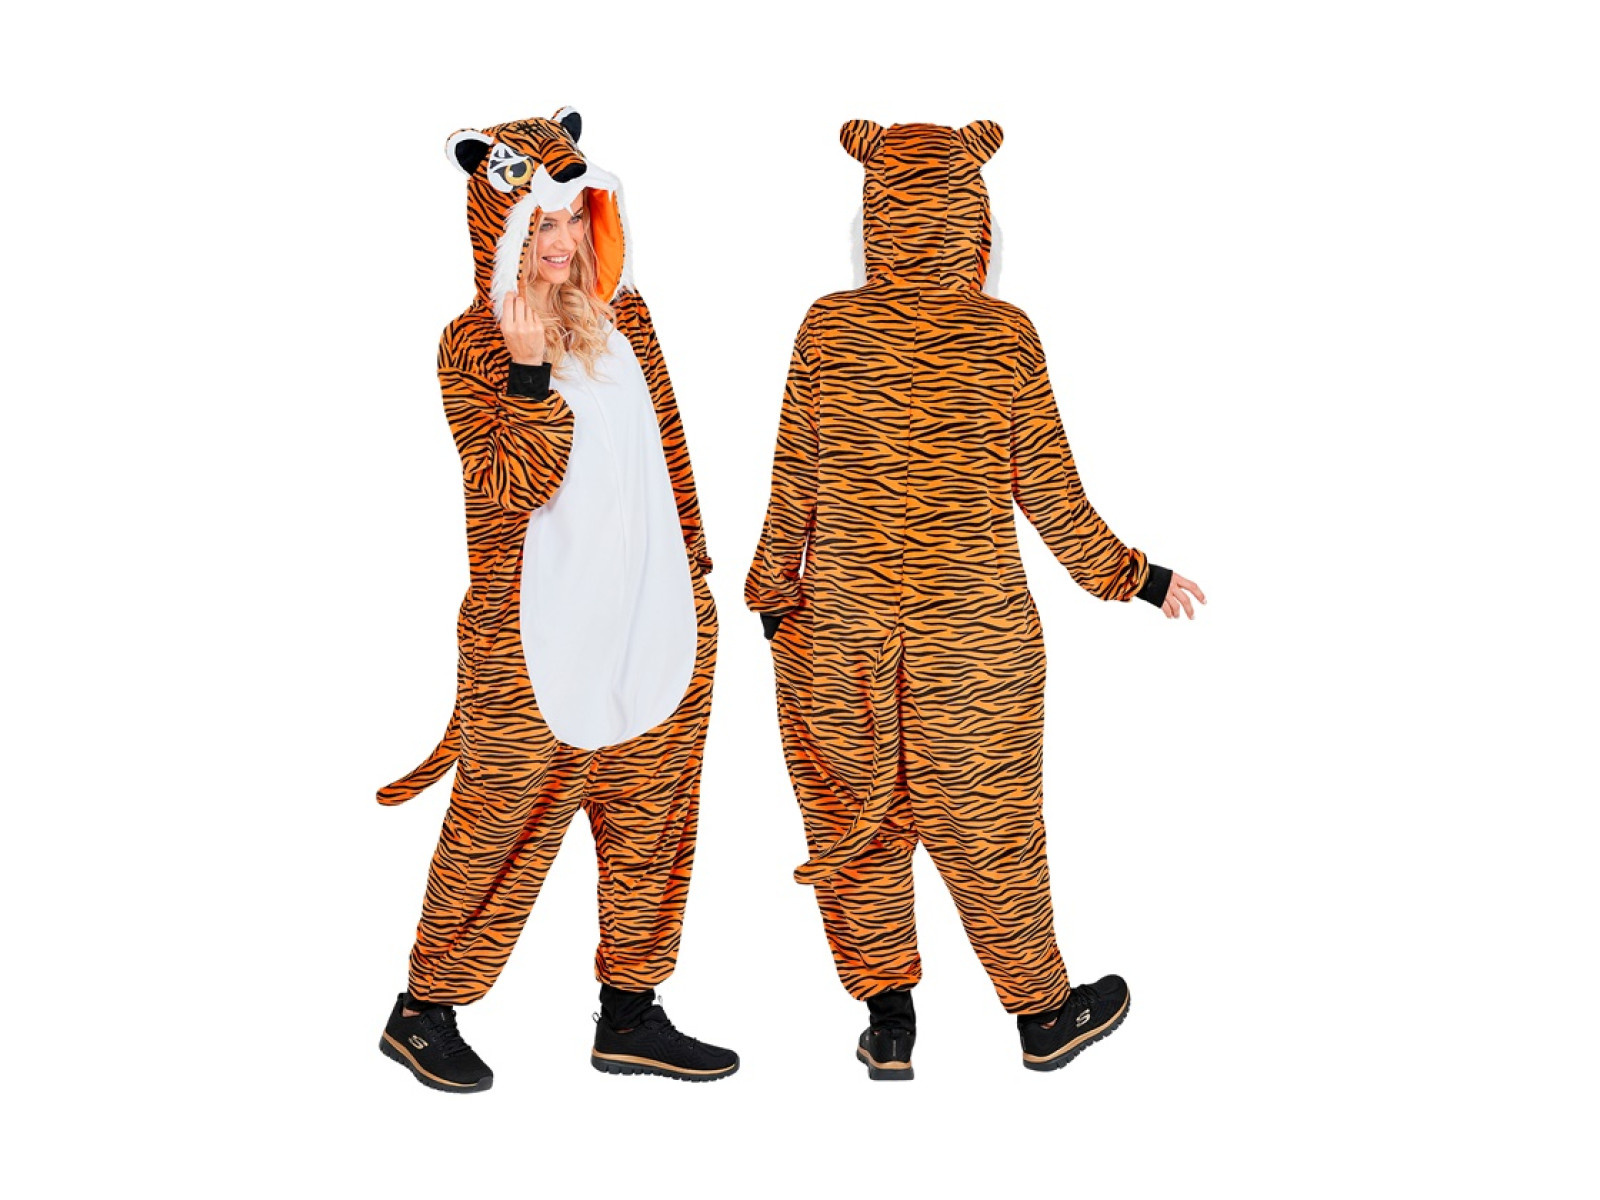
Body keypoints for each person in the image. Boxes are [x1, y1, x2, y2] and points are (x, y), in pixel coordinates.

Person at [744, 118, 1205, 1080]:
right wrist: (1137, 578)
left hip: (843, 629)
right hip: (974, 638)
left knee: (856, 815)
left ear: (878, 217)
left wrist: (774, 594)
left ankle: (889, 1023)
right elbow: (1053, 494)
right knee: (989, 821)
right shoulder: (1004, 338)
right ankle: (1043, 1013)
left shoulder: (827, 327)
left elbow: (796, 478)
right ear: (973, 220)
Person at [376, 108, 737, 1092]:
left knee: (654, 820)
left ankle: (632, 1012)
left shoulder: (630, 322)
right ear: (500, 228)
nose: (562, 240)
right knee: (502, 827)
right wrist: (529, 368)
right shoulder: (471, 345)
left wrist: (697, 576)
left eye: (574, 217)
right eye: (540, 223)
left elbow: (667, 452)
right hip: (529, 638)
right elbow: (512, 484)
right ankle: (425, 1010)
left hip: (654, 615)